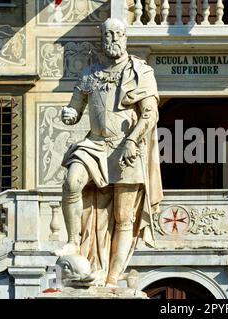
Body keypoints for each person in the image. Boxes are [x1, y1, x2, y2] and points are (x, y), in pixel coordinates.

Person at [56, 18, 163, 287]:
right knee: (72, 182)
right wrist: (69, 114)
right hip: (94, 144)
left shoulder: (141, 72)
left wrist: (132, 141)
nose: (112, 38)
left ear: (125, 37)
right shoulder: (90, 74)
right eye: (107, 34)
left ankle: (113, 278)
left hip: (126, 146)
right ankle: (72, 240)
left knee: (123, 218)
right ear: (101, 38)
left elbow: (150, 114)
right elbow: (74, 108)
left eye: (117, 33)